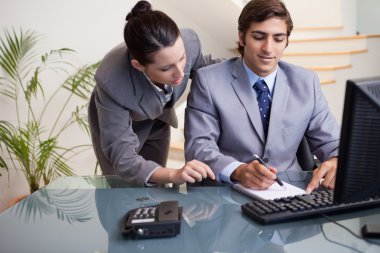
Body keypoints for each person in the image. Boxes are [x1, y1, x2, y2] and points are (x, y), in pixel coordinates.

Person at [184, 0, 340, 193]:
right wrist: (238, 170)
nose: (268, 48)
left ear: (286, 41)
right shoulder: (208, 80)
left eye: (278, 39)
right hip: (229, 195)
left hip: (293, 193)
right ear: (242, 38)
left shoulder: (306, 82)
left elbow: (333, 142)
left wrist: (337, 159)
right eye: (259, 37)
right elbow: (198, 147)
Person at [88, 0, 218, 186]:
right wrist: (175, 174)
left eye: (182, 59)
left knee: (157, 185)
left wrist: (246, 62)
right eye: (166, 68)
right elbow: (123, 159)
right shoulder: (111, 82)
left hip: (159, 117)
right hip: (118, 124)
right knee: (121, 186)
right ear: (139, 66)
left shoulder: (189, 42)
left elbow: (208, 70)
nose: (180, 73)